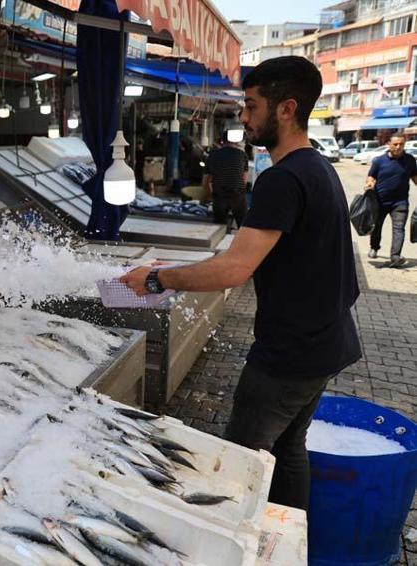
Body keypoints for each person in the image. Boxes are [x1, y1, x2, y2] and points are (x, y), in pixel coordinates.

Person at [119, 56, 361, 511]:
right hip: (327, 344)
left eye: (251, 106)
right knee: (288, 450)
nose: (243, 118)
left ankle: (241, 543)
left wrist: (154, 278)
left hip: (288, 357)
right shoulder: (320, 169)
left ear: (286, 109)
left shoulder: (282, 180)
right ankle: (286, 544)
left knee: (240, 459)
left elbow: (234, 270)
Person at [366, 134, 416, 268]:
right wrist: (370, 183)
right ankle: (374, 247)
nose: (398, 147)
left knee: (399, 229)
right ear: (389, 144)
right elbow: (371, 176)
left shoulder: (410, 160)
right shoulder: (379, 161)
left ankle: (395, 256)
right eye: (395, 144)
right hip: (380, 201)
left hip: (400, 203)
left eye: (401, 144)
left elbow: (415, 177)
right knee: (376, 227)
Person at [203, 135, 249, 229]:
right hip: (238, 196)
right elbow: (244, 180)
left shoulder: (213, 155)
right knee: (243, 228)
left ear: (222, 142)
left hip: (220, 195)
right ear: (237, 142)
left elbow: (206, 182)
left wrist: (211, 195)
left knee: (219, 230)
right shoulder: (242, 155)